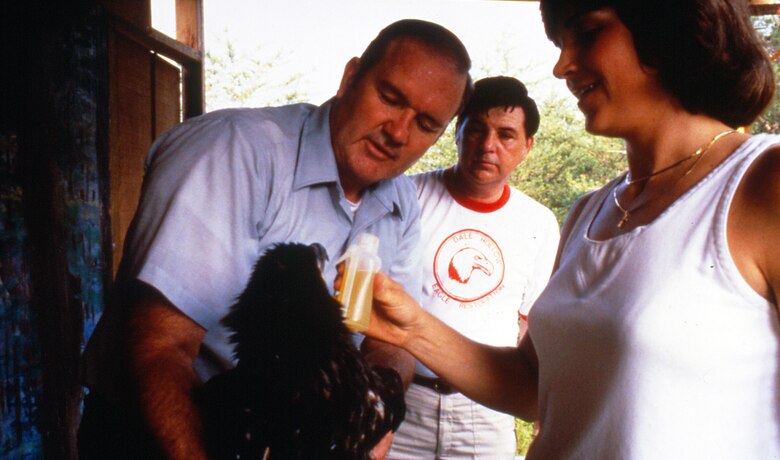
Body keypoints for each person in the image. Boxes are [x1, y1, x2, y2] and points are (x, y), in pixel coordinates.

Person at [360, 1, 780, 458]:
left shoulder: (762, 183)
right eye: (561, 43)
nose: (562, 66)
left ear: (667, 26)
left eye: (586, 33)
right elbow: (534, 386)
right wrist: (410, 327)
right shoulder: (589, 212)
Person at [78, 19, 472, 460]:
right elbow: (160, 351)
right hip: (161, 433)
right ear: (350, 77)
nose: (398, 132)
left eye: (425, 123)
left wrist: (373, 414)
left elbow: (390, 343)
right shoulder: (234, 153)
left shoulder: (400, 197)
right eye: (389, 97)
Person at [386, 76, 558, 459]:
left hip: (487, 413)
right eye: (476, 129)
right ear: (457, 132)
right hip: (404, 403)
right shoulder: (406, 198)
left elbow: (529, 325)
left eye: (506, 134)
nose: (488, 145)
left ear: (527, 146)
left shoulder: (538, 223)